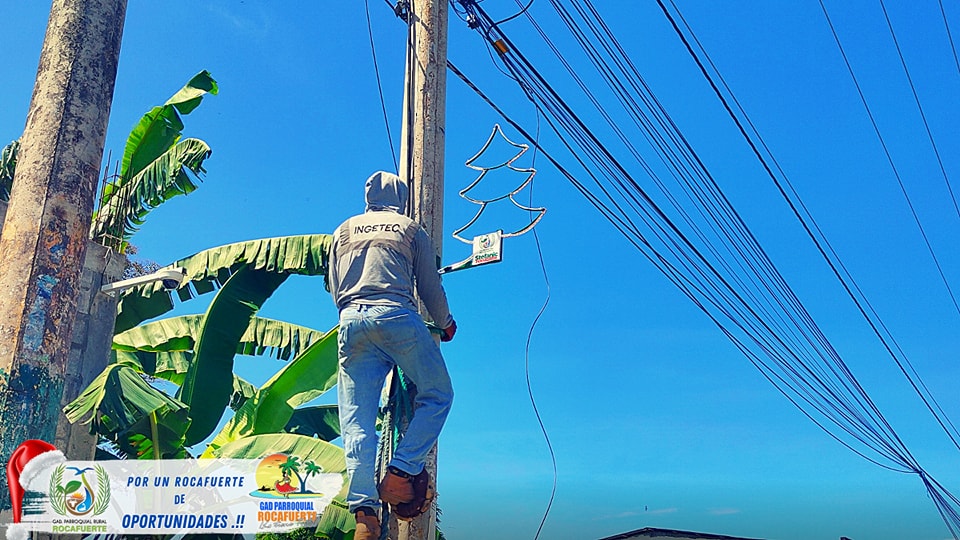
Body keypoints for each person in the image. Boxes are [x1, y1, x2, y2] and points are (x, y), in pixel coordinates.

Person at [328, 171, 457, 540]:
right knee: (438, 394)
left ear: (367, 198)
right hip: (396, 316)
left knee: (356, 421)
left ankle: (364, 514)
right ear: (401, 199)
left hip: (351, 320)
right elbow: (429, 285)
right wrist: (446, 323)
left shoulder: (342, 231)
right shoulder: (409, 228)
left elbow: (335, 287)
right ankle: (400, 471)